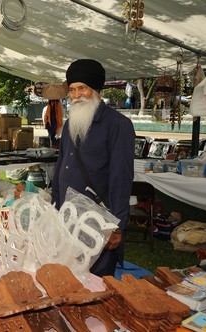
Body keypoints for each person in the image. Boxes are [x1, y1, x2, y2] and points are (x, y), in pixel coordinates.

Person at [52, 59, 135, 277]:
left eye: (82, 88)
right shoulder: (70, 124)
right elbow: (62, 165)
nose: (76, 95)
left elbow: (121, 177)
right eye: (71, 89)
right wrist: (55, 206)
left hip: (98, 220)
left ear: (96, 90)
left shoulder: (118, 125)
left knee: (96, 283)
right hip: (67, 218)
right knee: (69, 278)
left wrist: (117, 225)